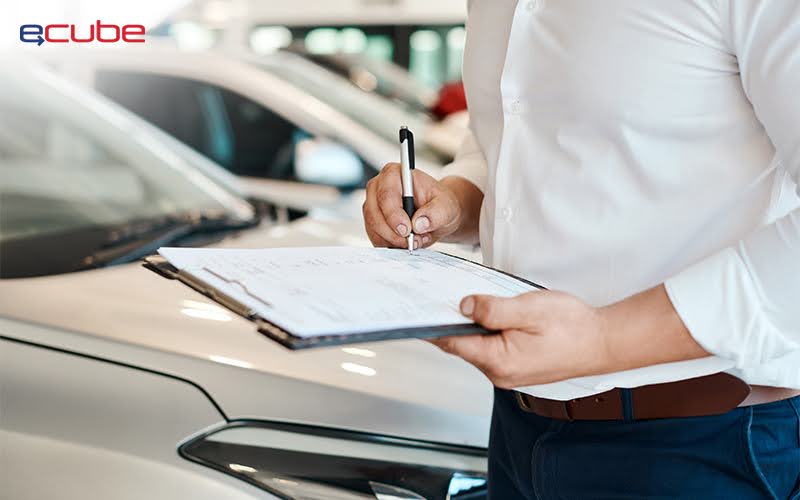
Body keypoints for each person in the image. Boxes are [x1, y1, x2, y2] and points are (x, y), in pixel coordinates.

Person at [362, 1, 800, 498]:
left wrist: (604, 340)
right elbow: (509, 136)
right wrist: (456, 201)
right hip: (518, 427)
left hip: (701, 442)